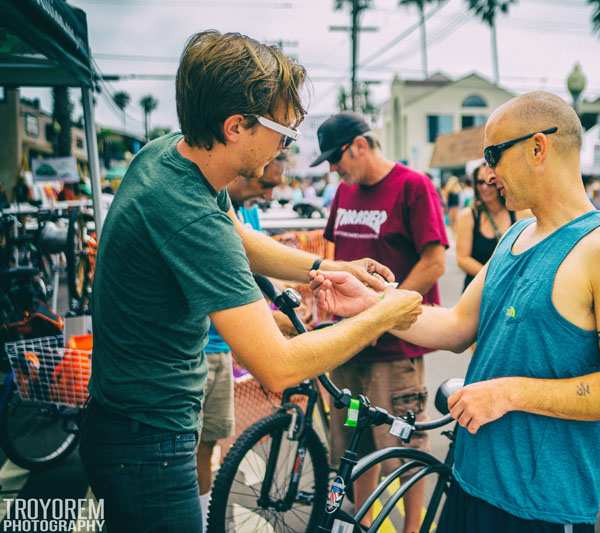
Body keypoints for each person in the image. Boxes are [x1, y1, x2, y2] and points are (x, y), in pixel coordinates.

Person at [81, 30, 423, 533]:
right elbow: (278, 367)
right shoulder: (189, 215)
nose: (285, 147)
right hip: (148, 444)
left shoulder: (168, 157)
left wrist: (327, 269)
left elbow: (236, 234)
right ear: (236, 126)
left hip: (122, 422)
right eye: (282, 132)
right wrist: (383, 315)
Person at [311, 91, 600, 532]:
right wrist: (373, 305)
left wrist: (507, 393)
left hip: (540, 508)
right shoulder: (516, 236)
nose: (488, 174)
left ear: (539, 147)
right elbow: (457, 326)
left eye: (494, 154)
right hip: (470, 482)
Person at [310, 111, 448, 533]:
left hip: (395, 354)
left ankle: (411, 529)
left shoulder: (412, 186)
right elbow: (335, 254)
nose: (333, 168)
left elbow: (435, 261)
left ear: (360, 145)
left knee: (401, 442)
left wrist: (382, 313)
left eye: (337, 157)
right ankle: (362, 521)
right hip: (349, 348)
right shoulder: (344, 194)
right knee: (355, 437)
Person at [195, 154, 290, 529]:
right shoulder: (212, 206)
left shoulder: (246, 213)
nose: (269, 194)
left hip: (219, 349)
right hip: (200, 347)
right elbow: (228, 290)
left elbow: (258, 271)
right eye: (266, 184)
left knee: (209, 444)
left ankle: (201, 519)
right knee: (185, 448)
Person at [456, 162, 517, 290]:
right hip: (477, 290)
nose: (484, 187)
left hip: (510, 289)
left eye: (490, 183)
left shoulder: (518, 213)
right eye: (480, 182)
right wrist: (495, 277)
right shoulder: (468, 215)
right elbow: (462, 259)